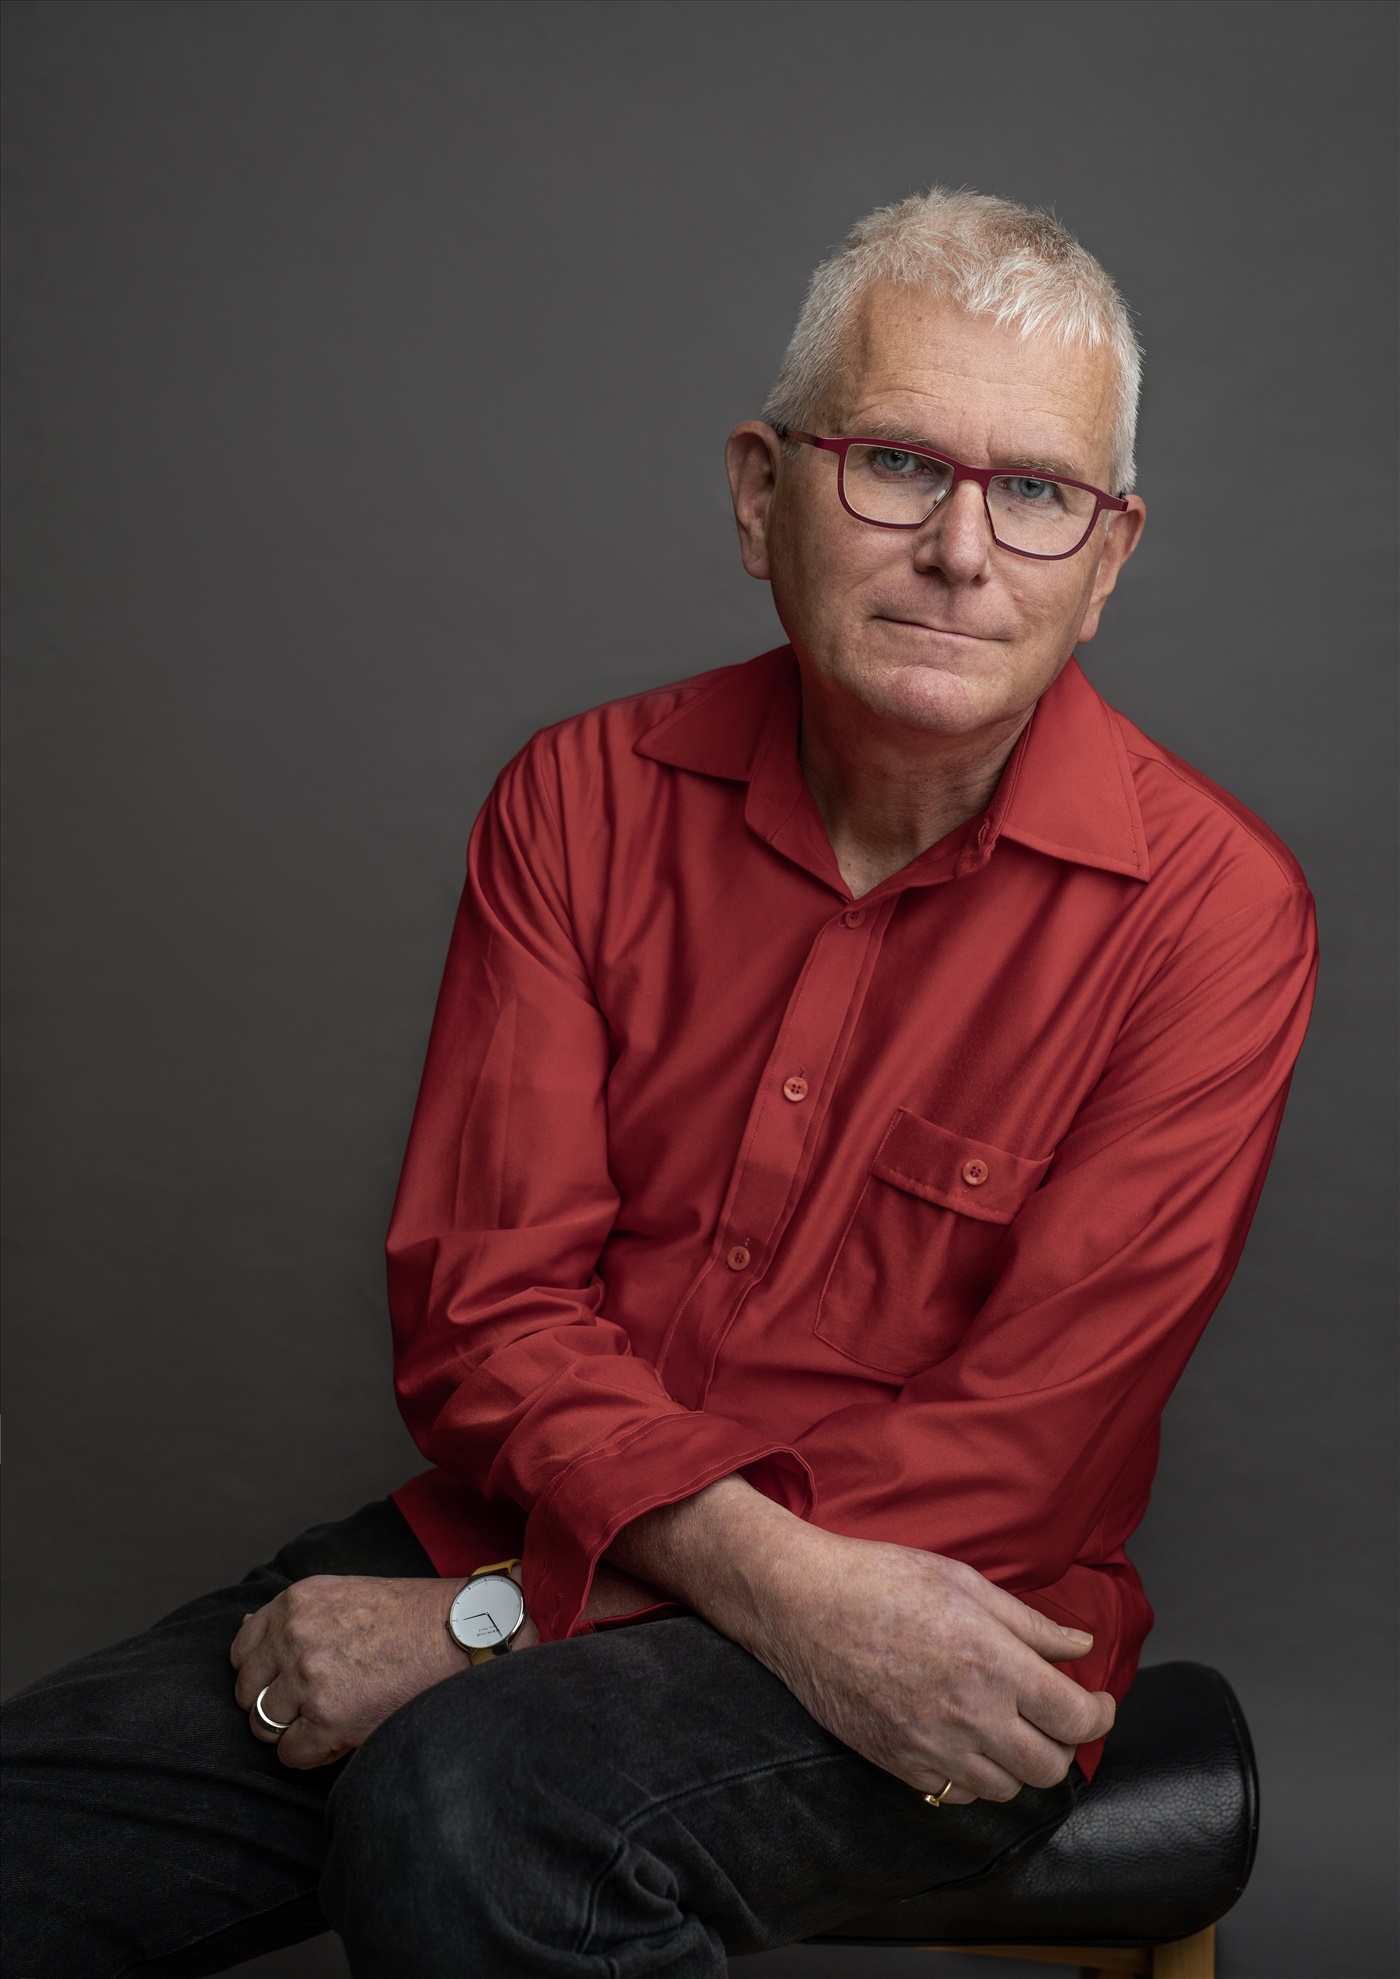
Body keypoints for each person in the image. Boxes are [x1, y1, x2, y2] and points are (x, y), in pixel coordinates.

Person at [3, 188, 1316, 1979]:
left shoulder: (1215, 916)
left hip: (949, 1644)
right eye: (896, 465)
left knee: (470, 1805)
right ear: (762, 494)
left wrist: (480, 1629)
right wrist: (515, 1589)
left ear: (1106, 561)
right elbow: (484, 1314)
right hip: (519, 1529)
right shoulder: (578, 804)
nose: (962, 549)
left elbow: (1016, 1460)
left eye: (1036, 492)